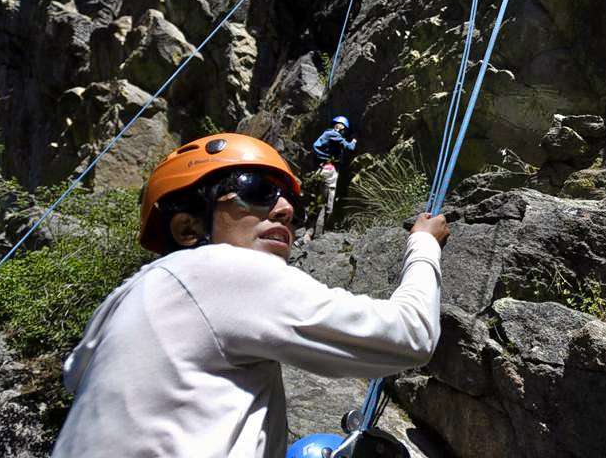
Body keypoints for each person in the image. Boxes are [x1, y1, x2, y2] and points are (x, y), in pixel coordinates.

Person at [51, 133, 449, 458]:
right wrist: (423, 245)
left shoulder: (122, 299)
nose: (284, 210)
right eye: (256, 190)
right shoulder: (215, 270)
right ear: (189, 229)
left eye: (289, 199)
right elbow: (409, 335)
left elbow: (74, 375)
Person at [312, 115, 357, 216]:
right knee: (329, 197)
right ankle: (324, 226)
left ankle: (311, 228)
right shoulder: (333, 134)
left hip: (321, 168)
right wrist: (354, 140)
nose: (344, 133)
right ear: (340, 127)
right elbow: (350, 147)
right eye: (344, 130)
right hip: (329, 169)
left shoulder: (326, 134)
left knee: (319, 198)